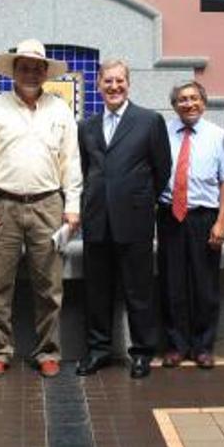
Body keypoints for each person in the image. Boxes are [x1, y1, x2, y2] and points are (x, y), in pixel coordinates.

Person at [0, 38, 82, 378]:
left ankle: (48, 351)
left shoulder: (60, 109)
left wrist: (72, 207)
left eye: (37, 67)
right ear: (13, 71)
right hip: (2, 204)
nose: (30, 72)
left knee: (49, 287)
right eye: (24, 67)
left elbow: (71, 162)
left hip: (48, 204)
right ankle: (0, 351)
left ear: (45, 73)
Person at [76, 59, 171, 379]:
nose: (114, 87)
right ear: (98, 85)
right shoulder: (86, 126)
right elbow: (84, 169)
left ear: (128, 83)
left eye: (120, 81)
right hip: (97, 221)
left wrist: (138, 200)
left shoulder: (149, 121)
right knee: (97, 292)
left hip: (135, 220)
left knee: (139, 292)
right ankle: (98, 350)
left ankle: (143, 352)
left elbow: (162, 170)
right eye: (108, 82)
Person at [158, 81, 224, 370]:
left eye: (193, 98)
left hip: (204, 217)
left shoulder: (218, 135)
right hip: (169, 216)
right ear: (174, 105)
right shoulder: (162, 131)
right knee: (172, 284)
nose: (188, 104)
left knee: (205, 286)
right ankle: (176, 346)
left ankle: (203, 346)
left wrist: (221, 223)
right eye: (181, 99)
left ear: (204, 102)